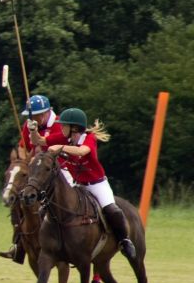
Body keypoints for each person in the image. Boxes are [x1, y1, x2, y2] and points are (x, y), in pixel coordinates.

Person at [47, 108, 137, 262]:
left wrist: (59, 148)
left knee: (112, 210)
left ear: (74, 128)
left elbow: (82, 151)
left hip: (97, 184)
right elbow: (41, 141)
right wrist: (33, 129)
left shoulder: (89, 138)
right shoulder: (66, 140)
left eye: (64, 125)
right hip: (78, 185)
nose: (61, 128)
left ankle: (124, 240)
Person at [0, 94, 69, 262]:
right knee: (18, 200)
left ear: (45, 113)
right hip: (37, 172)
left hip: (62, 169)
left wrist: (37, 153)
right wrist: (25, 160)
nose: (32, 118)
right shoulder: (29, 125)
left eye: (34, 115)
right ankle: (19, 244)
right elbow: (23, 147)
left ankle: (70, 241)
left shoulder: (60, 125)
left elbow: (52, 149)